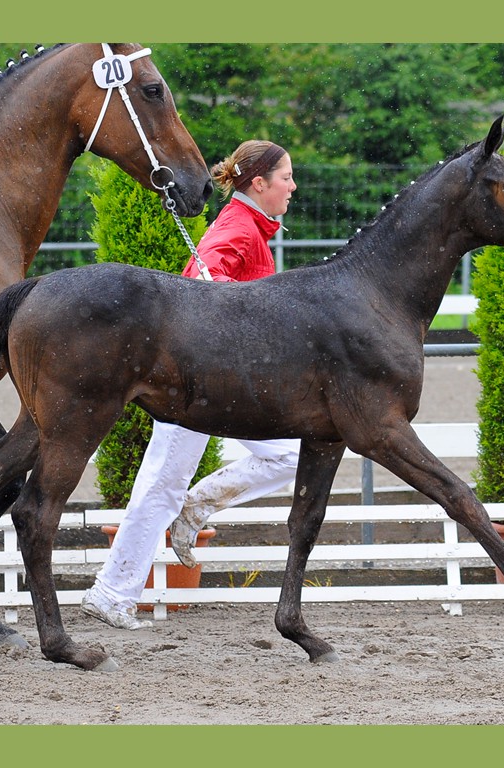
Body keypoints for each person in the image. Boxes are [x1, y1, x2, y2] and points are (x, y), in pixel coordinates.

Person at [81, 140, 301, 630]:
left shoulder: (250, 229)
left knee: (281, 455)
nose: (292, 186)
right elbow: (197, 279)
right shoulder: (239, 228)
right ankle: (114, 591)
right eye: (286, 177)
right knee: (163, 485)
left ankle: (187, 515)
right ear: (259, 184)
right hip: (198, 384)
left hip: (218, 383)